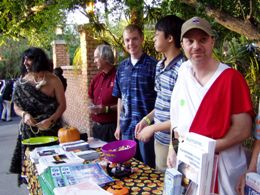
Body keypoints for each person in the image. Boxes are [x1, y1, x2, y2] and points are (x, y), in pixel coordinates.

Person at [167, 16, 254, 194]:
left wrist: (204, 151)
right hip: (189, 166)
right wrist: (172, 148)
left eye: (203, 40)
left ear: (212, 42)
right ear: (182, 44)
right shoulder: (183, 73)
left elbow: (243, 130)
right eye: (190, 41)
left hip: (223, 167)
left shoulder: (231, 78)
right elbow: (176, 118)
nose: (196, 46)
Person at [135, 15, 185, 172]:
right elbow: (162, 104)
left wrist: (152, 128)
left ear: (170, 38)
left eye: (157, 34)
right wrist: (147, 120)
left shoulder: (183, 69)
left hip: (175, 143)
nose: (154, 38)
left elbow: (183, 116)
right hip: (159, 139)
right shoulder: (159, 66)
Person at [9, 47, 66, 185]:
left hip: (51, 131)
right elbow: (16, 106)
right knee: (32, 172)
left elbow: (62, 105)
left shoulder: (54, 80)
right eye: (24, 59)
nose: (25, 63)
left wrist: (51, 120)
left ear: (38, 60)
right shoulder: (21, 82)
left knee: (53, 170)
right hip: (29, 133)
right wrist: (24, 115)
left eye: (28, 59)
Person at [112, 24, 157, 168]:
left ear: (142, 39)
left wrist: (150, 123)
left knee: (147, 169)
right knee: (128, 169)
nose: (131, 43)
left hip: (146, 130)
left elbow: (161, 101)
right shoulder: (121, 68)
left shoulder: (154, 66)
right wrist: (118, 125)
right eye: (127, 40)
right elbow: (120, 98)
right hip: (126, 129)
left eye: (134, 39)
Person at [88, 44, 118, 142]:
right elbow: (90, 98)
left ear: (105, 58)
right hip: (97, 128)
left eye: (96, 57)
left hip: (112, 128)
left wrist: (105, 109)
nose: (94, 61)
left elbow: (125, 104)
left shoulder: (118, 77)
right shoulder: (96, 79)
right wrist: (91, 106)